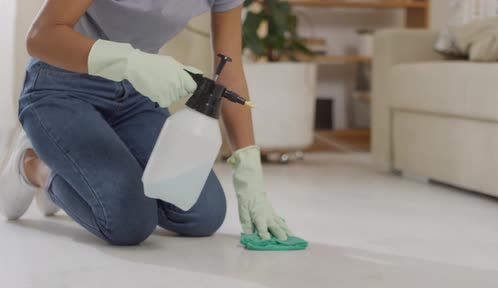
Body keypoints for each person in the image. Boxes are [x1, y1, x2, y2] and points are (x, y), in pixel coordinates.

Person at [0, 0, 293, 245]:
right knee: (128, 219)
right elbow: (40, 37)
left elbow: (229, 70)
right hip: (61, 87)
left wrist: (249, 174)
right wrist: (132, 63)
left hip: (136, 97)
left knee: (203, 213)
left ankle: (80, 172)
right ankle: (35, 165)